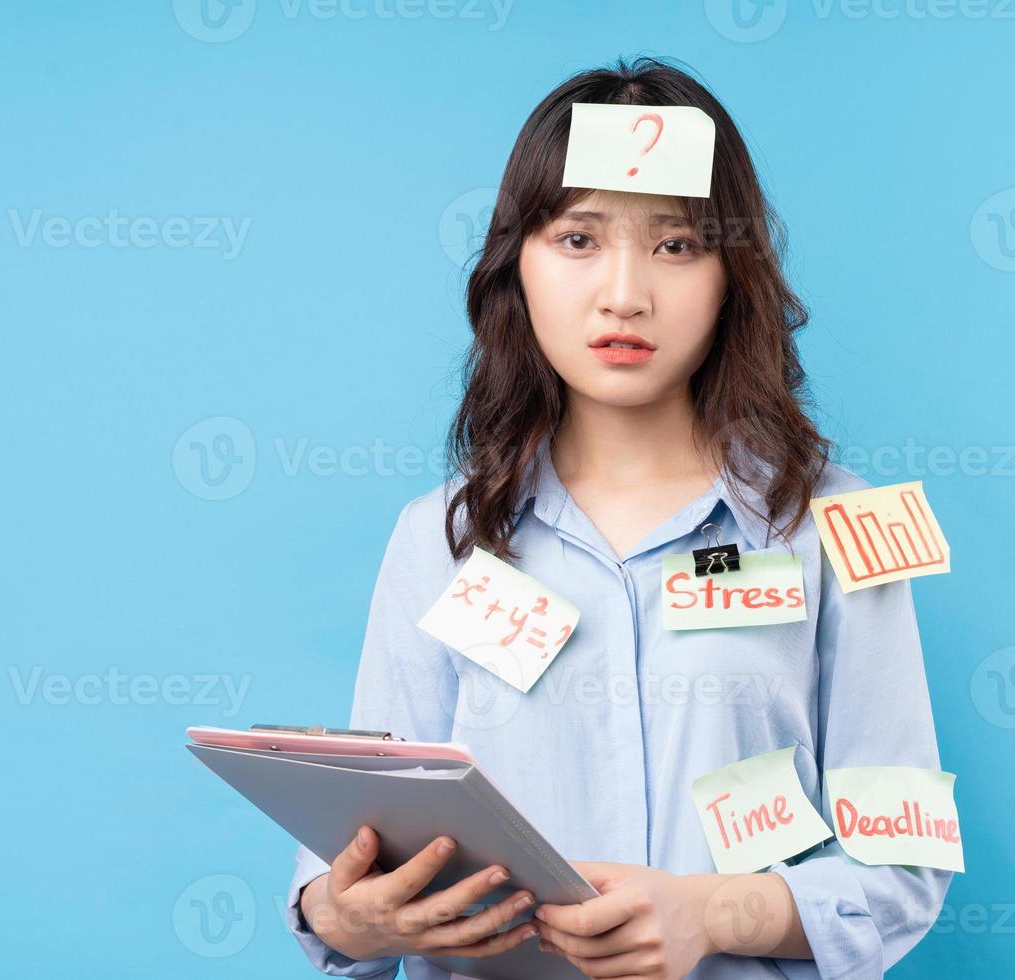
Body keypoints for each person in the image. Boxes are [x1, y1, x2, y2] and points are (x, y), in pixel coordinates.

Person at [287, 56, 950, 979]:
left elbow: (905, 870)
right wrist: (349, 918)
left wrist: (712, 912)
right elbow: (349, 879)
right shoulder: (439, 538)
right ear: (517, 262)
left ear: (733, 274)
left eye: (676, 245)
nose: (625, 293)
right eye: (578, 239)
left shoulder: (833, 522)